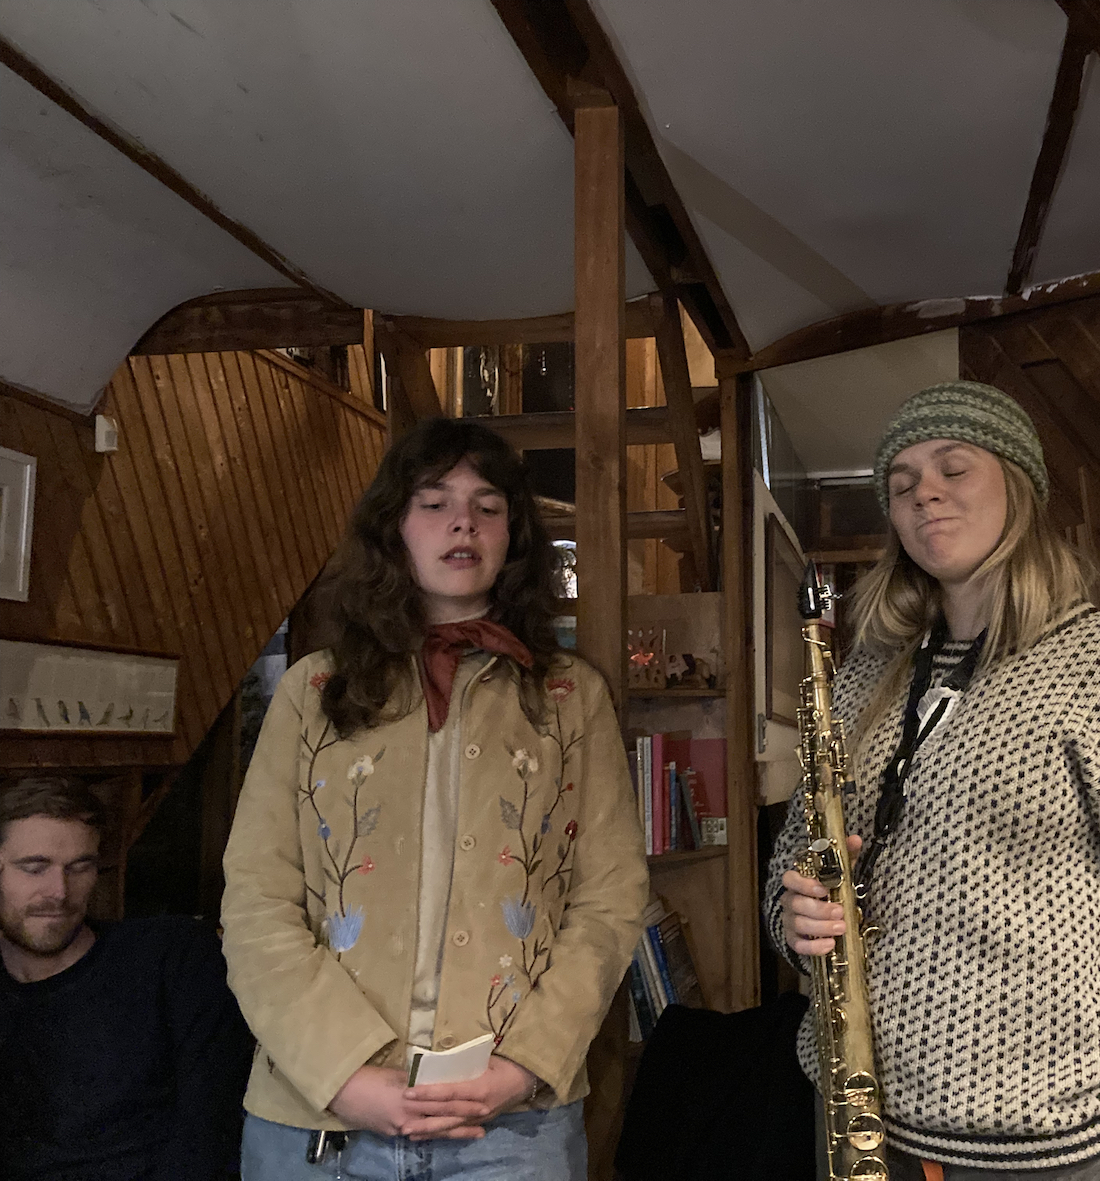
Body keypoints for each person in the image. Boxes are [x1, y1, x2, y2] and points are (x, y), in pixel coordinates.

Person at [765, 382, 1100, 1180]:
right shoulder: (860, 677)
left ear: (1019, 487)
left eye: (953, 467)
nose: (923, 492)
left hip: (1055, 1150)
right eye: (900, 483)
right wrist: (792, 918)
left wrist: (1077, 1027)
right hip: (862, 1128)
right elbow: (793, 860)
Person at [222, 417, 649, 1179]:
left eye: (488, 506)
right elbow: (257, 899)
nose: (463, 522)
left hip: (510, 1125)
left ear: (513, 536)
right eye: (434, 502)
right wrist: (344, 1074)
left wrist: (524, 1063)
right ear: (394, 526)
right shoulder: (312, 690)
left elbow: (609, 899)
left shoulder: (567, 696)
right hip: (320, 1119)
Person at [0, 775, 253, 1179]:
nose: (59, 892)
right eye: (34, 868)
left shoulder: (170, 957)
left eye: (80, 867)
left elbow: (211, 1130)